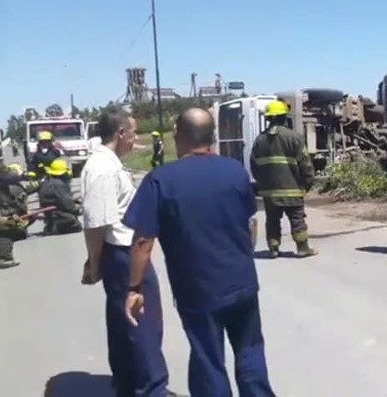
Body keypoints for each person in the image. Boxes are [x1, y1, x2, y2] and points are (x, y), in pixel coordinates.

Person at [124, 108, 276, 397]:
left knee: (208, 361)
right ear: (213, 136)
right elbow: (250, 224)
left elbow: (143, 241)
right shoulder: (234, 170)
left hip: (198, 290)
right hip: (242, 283)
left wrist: (134, 287)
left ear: (177, 135)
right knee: (251, 352)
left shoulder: (160, 180)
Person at [79, 109, 178, 397]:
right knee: (142, 321)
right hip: (121, 253)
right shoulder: (102, 168)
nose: (135, 138)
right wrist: (95, 261)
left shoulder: (109, 163)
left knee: (123, 322)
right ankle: (151, 389)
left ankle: (129, 383)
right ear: (121, 133)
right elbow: (96, 223)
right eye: (133, 132)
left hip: (119, 253)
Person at [249, 100, 317, 259]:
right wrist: (307, 183)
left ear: (268, 119)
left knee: (272, 220)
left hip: (270, 192)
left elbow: (254, 165)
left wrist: (262, 184)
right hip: (293, 190)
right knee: (297, 219)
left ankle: (273, 248)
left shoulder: (260, 140)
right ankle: (302, 248)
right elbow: (305, 164)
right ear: (284, 117)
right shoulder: (294, 137)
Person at [38, 158, 82, 235]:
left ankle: (52, 226)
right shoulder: (59, 185)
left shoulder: (46, 183)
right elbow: (67, 205)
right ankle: (59, 227)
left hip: (49, 215)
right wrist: (78, 209)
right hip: (60, 215)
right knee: (76, 225)